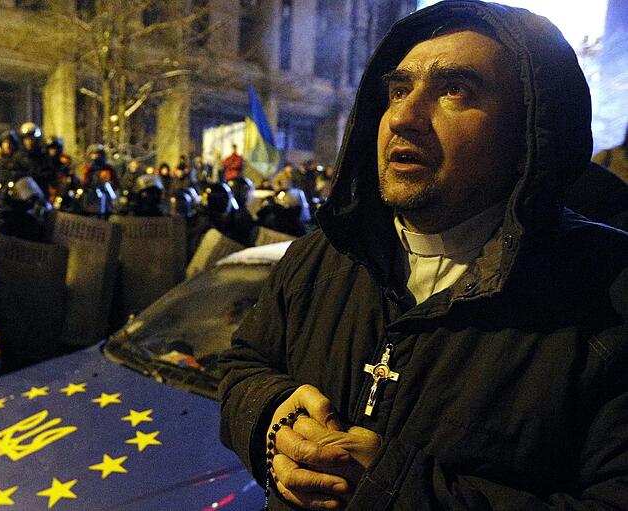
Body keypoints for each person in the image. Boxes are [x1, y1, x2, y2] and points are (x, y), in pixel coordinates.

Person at [218, 2, 628, 510]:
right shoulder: (320, 258)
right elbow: (243, 365)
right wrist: (270, 416)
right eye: (398, 90)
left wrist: (397, 494)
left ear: (530, 132)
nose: (404, 118)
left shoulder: (609, 292)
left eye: (454, 90)